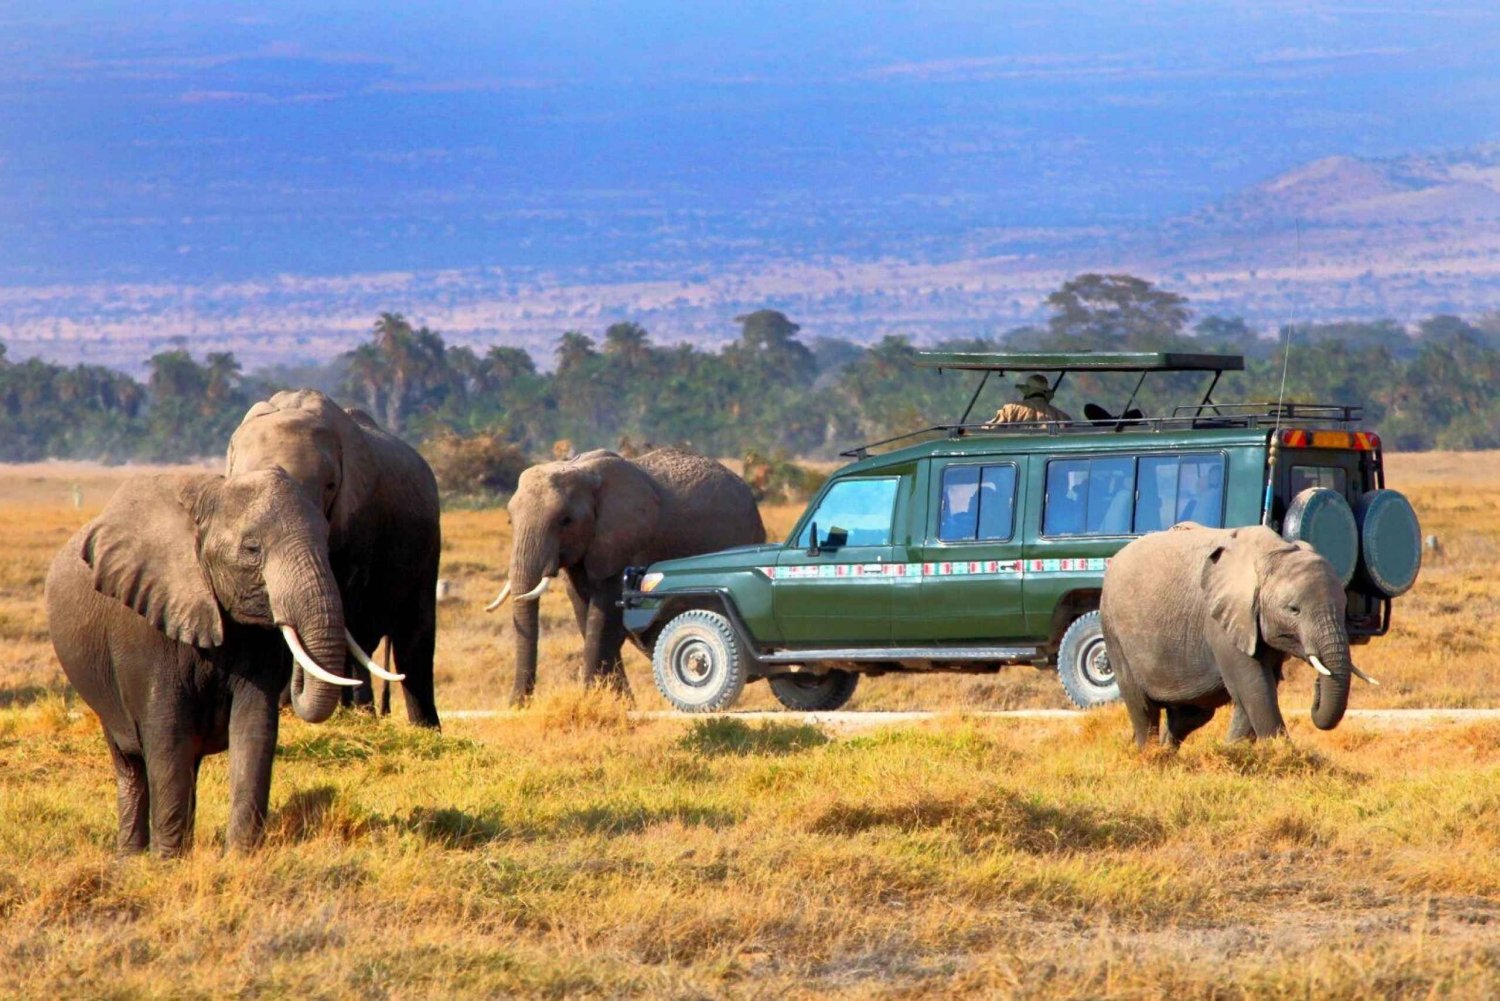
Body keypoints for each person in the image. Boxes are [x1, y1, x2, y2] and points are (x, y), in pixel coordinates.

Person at [987, 374, 1072, 425]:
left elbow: (988, 430)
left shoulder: (1010, 410)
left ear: (1027, 391)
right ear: (1047, 395)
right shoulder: (1062, 417)